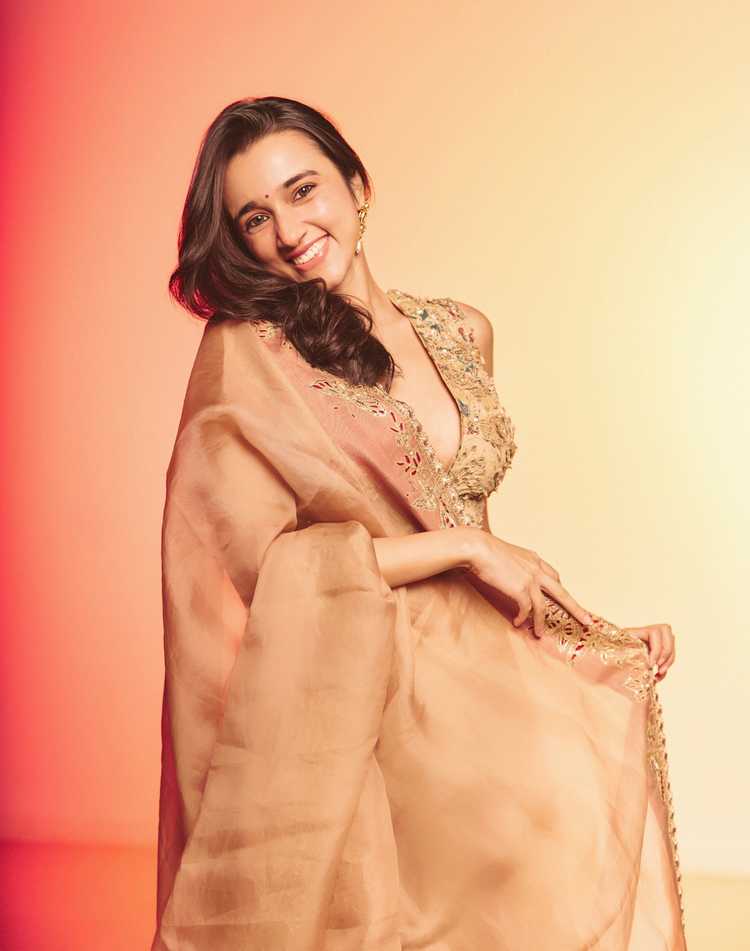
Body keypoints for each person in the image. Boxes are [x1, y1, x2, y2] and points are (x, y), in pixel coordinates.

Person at [152, 96, 687, 950]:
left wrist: (590, 637)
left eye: (304, 190)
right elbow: (265, 565)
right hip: (365, 691)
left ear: (357, 187)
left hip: (481, 684)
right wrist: (465, 547)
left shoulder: (460, 329)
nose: (289, 231)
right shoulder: (251, 355)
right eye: (255, 216)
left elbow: (482, 541)